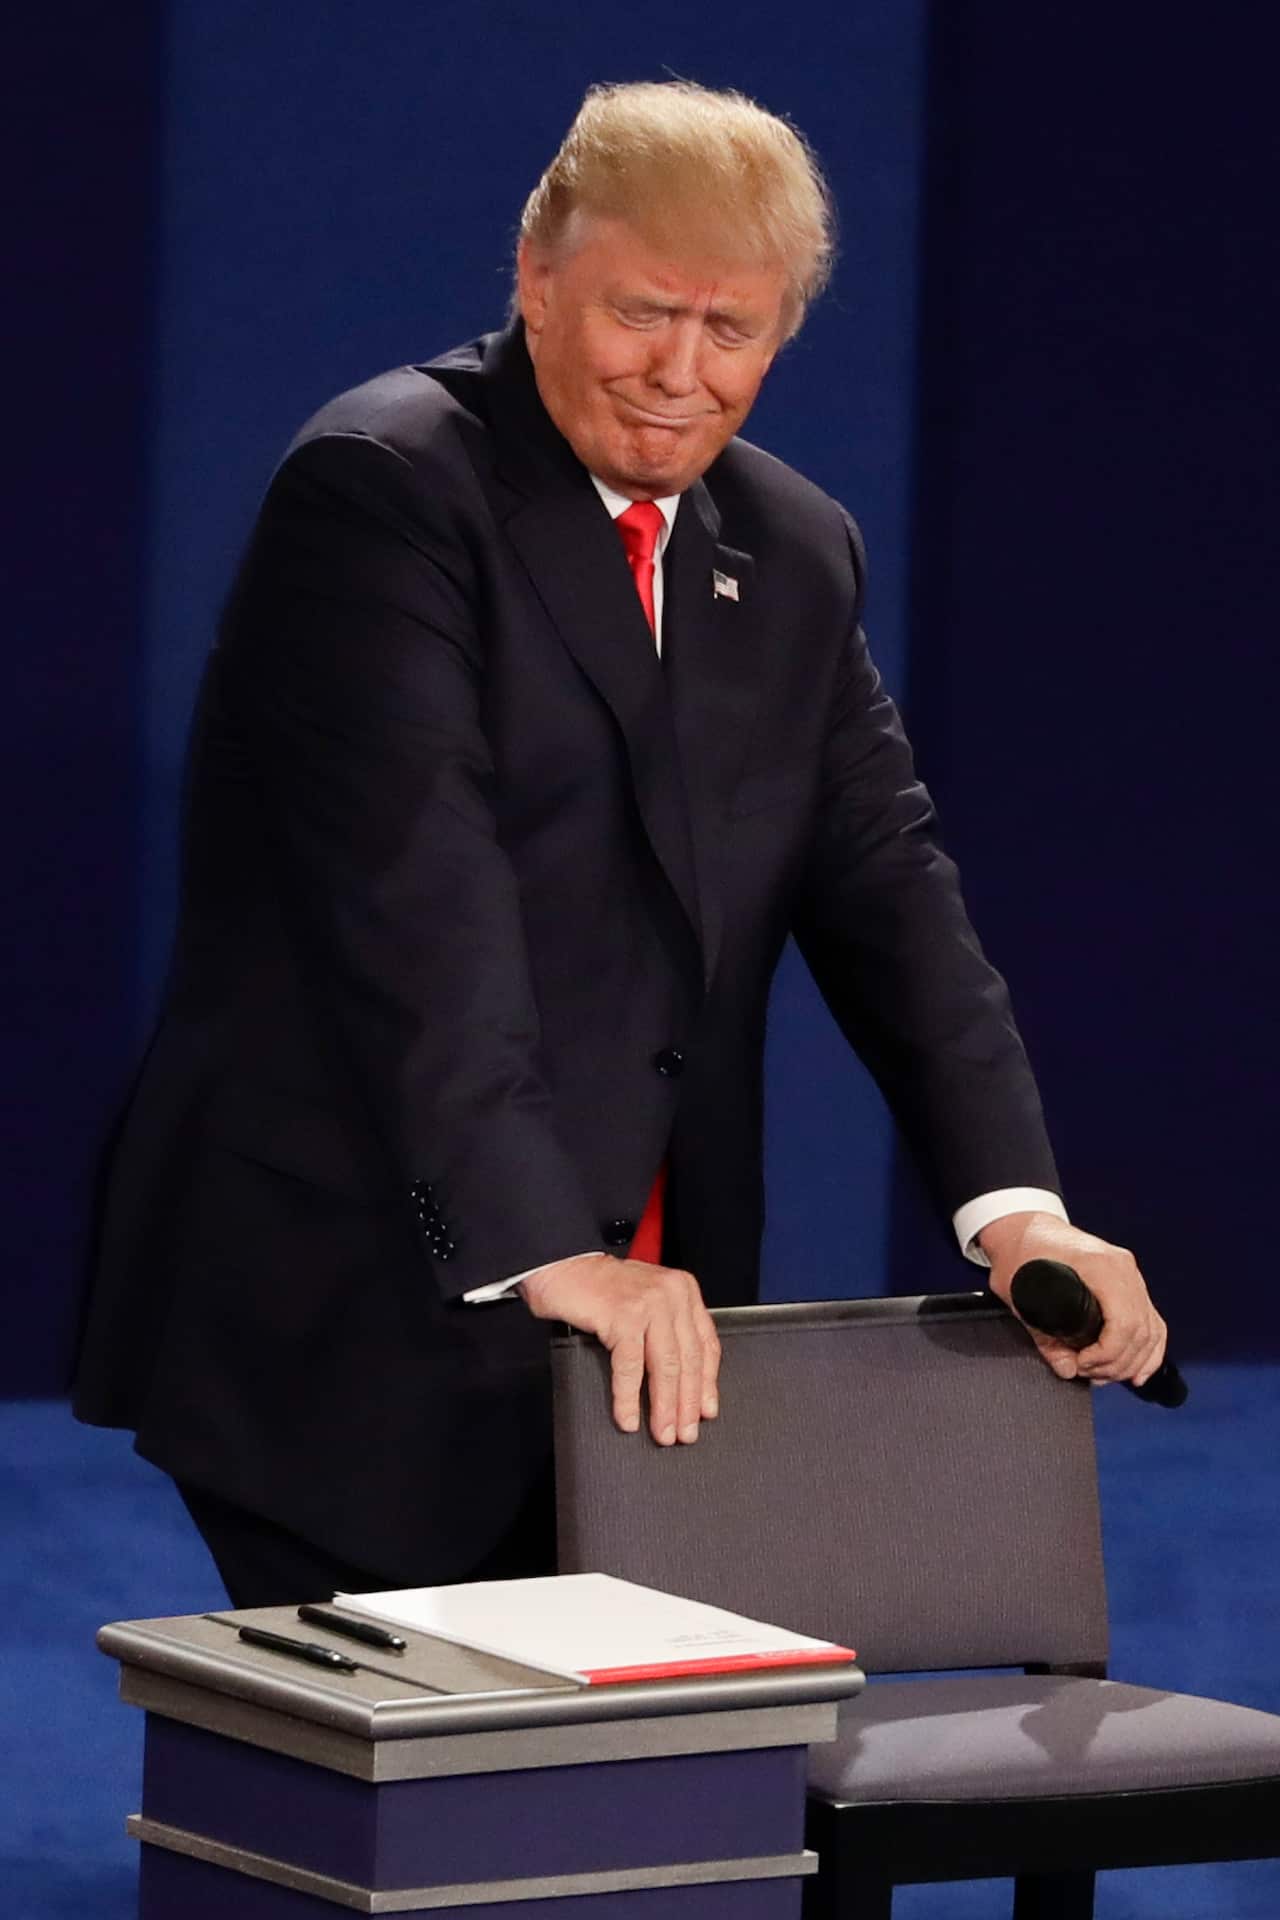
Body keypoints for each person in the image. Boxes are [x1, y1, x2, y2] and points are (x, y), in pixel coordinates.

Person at [74, 81, 1165, 1607]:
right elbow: (416, 903)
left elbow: (891, 888)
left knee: (623, 1809)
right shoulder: (384, 490)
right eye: (643, 312)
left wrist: (1019, 1213)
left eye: (735, 331)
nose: (680, 374)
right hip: (360, 1284)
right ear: (536, 276)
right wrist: (544, 1249)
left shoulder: (792, 549)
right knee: (425, 1809)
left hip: (652, 1309)